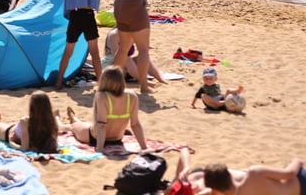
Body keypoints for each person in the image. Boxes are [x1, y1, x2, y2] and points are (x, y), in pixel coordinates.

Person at [68, 65, 146, 153]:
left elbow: (101, 125)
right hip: (117, 138)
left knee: (74, 126)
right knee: (87, 124)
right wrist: (144, 147)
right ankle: (74, 118)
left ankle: (70, 119)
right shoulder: (132, 96)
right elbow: (135, 124)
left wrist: (100, 149)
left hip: (95, 138)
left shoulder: (102, 96)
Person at [0, 92, 67, 153]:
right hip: (15, 129)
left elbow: (24, 148)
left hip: (7, 133)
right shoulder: (51, 121)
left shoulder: (25, 121)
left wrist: (11, 143)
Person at [170, 147, 305, 195]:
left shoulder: (226, 191)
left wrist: (186, 167)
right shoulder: (254, 173)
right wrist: (297, 160)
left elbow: (184, 150)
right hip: (299, 180)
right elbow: (290, 174)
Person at [55, 0, 102, 88]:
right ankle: (101, 82)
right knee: (94, 52)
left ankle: (59, 80)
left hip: (75, 16)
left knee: (68, 50)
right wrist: (95, 7)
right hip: (87, 15)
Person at [102, 27, 166, 86]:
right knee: (127, 59)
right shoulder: (114, 35)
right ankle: (143, 80)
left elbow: (142, 47)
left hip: (126, 66)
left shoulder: (131, 34)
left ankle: (160, 78)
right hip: (110, 64)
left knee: (143, 58)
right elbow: (116, 55)